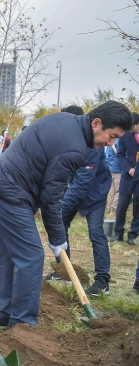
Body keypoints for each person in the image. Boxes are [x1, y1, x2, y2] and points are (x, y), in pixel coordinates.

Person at [0, 101, 131, 328]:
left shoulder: (64, 121)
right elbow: (51, 196)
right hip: (9, 192)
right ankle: (23, 326)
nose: (110, 144)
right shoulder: (75, 148)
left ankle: (5, 316)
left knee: (11, 254)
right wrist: (58, 238)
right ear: (96, 123)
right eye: (111, 136)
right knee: (31, 256)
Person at [56, 136, 112, 297]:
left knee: (96, 232)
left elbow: (83, 181)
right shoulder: (68, 141)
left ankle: (102, 281)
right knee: (58, 225)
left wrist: (64, 206)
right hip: (73, 190)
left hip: (95, 195)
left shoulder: (95, 144)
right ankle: (64, 270)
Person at [112, 112, 139, 243]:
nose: (130, 129)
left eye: (132, 126)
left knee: (137, 208)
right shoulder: (125, 136)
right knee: (121, 205)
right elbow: (120, 155)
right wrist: (129, 169)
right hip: (128, 176)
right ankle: (118, 233)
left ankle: (133, 235)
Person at [105, 136, 121, 215]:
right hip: (118, 169)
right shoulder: (120, 141)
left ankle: (108, 208)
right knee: (119, 191)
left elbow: (106, 157)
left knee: (112, 191)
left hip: (111, 169)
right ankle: (114, 209)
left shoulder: (110, 141)